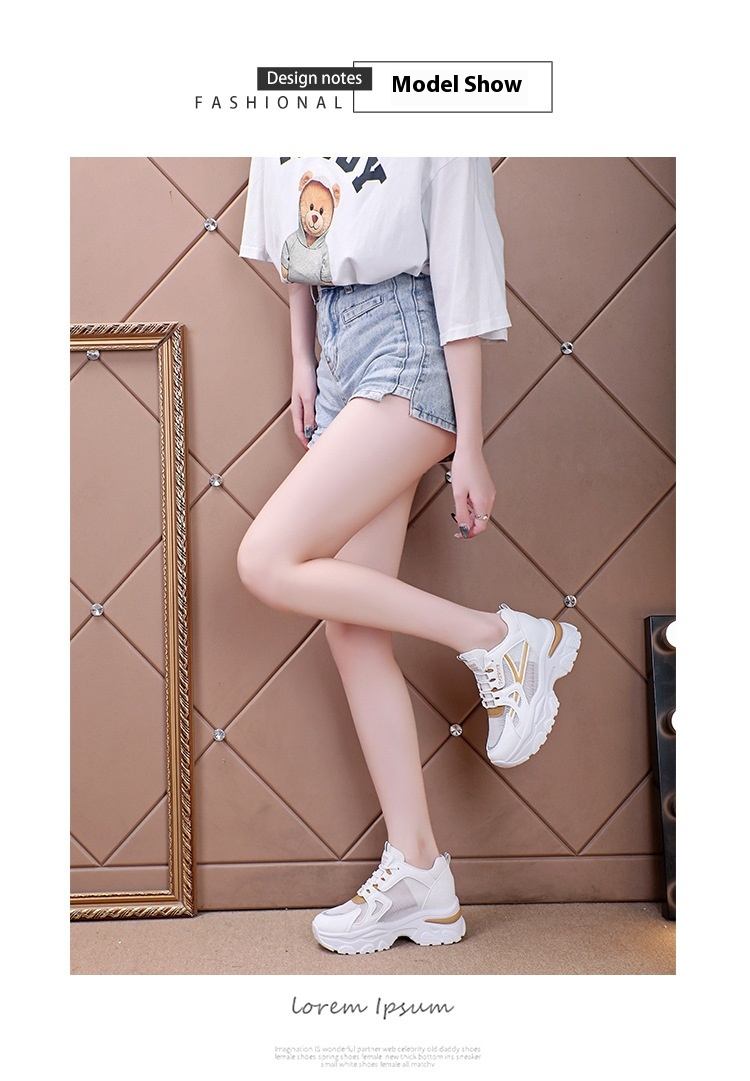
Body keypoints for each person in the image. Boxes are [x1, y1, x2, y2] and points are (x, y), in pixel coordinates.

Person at [236, 157, 581, 956]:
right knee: (351, 631)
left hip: (405, 344)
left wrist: (472, 445)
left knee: (264, 559)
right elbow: (298, 245)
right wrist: (304, 358)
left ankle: (499, 637)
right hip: (339, 352)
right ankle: (421, 877)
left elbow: (462, 272)